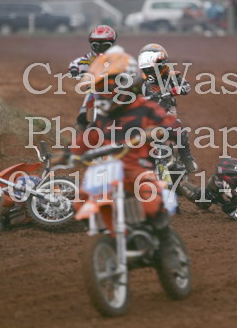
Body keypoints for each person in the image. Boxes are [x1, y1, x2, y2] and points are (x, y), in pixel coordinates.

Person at [56, 47, 183, 241]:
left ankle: (166, 243)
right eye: (101, 89)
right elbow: (87, 138)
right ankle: (106, 236)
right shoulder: (104, 118)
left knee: (153, 203)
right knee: (81, 202)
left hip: (137, 169)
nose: (105, 93)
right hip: (108, 171)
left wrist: (158, 131)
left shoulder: (144, 108)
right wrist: (65, 154)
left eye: (109, 88)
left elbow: (171, 125)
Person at [138, 43, 198, 173]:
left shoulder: (172, 76)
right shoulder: (140, 81)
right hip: (146, 116)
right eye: (146, 69)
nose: (149, 72)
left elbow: (187, 86)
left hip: (167, 114)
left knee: (179, 129)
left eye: (151, 68)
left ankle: (187, 159)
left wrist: (178, 89)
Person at [67, 25, 117, 130]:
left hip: (115, 87)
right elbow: (76, 63)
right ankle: (82, 118)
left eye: (105, 46)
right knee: (91, 91)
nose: (100, 48)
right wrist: (74, 70)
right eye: (96, 45)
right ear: (91, 45)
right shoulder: (89, 58)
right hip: (95, 86)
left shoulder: (118, 58)